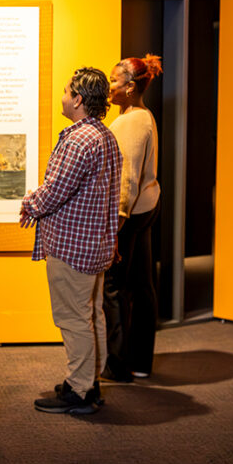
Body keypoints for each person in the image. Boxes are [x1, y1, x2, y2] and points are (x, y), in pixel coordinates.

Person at [21, 67, 122, 414]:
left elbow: (57, 189)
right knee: (91, 314)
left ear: (78, 99)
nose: (63, 97)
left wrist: (30, 204)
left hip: (73, 247)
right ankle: (88, 381)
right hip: (94, 246)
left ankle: (80, 391)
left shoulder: (80, 140)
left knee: (73, 318)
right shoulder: (104, 136)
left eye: (66, 92)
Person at [102, 54, 162, 381]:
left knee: (115, 287)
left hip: (132, 214)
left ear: (129, 87)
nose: (108, 87)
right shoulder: (141, 115)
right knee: (141, 284)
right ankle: (139, 361)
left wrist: (116, 226)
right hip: (147, 207)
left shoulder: (131, 122)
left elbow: (126, 179)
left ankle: (119, 363)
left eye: (114, 81)